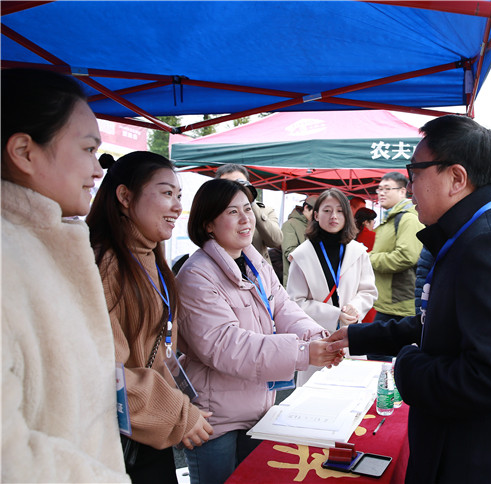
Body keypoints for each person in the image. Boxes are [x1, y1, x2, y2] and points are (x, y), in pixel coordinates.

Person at [327, 115, 491, 483]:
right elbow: (444, 322)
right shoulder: (480, 231)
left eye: (414, 173)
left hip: (481, 463)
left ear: (457, 178)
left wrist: (406, 365)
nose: (410, 187)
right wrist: (359, 336)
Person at [1, 68, 129, 483]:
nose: (97, 170)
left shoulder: (51, 244)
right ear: (24, 151)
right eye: (88, 149)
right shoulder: (9, 257)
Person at [175, 179, 337, 484]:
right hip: (215, 416)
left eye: (247, 209)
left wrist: (318, 337)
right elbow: (225, 346)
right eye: (232, 212)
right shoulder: (197, 275)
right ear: (208, 224)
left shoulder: (254, 262)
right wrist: (303, 352)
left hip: (258, 405)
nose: (245, 219)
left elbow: (283, 307)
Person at [87, 151, 213, 483]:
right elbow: (105, 372)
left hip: (145, 428)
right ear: (125, 196)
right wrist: (177, 413)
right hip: (119, 436)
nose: (177, 207)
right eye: (167, 193)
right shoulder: (106, 265)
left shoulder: (149, 257)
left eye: (179, 196)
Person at [287, 189, 378, 385]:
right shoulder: (302, 255)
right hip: (317, 340)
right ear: (316, 215)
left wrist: (355, 307)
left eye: (339, 211)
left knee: (353, 392)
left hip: (352, 336)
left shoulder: (358, 251)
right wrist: (335, 314)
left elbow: (368, 290)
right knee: (316, 393)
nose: (333, 216)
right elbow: (294, 302)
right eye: (327, 210)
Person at [370, 172, 424, 322]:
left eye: (387, 189)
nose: (381, 193)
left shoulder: (408, 219)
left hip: (400, 304)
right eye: (380, 189)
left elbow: (406, 257)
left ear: (402, 191)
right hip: (387, 302)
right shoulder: (390, 219)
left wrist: (370, 259)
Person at [216, 163, 283, 266]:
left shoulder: (264, 211)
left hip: (259, 270)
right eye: (228, 185)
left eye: (240, 185)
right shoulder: (214, 213)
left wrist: (252, 203)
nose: (235, 189)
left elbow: (275, 241)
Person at [281, 194, 317, 286]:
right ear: (306, 208)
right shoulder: (289, 225)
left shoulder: (316, 226)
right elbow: (290, 252)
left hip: (313, 283)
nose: (317, 216)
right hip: (294, 284)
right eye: (315, 212)